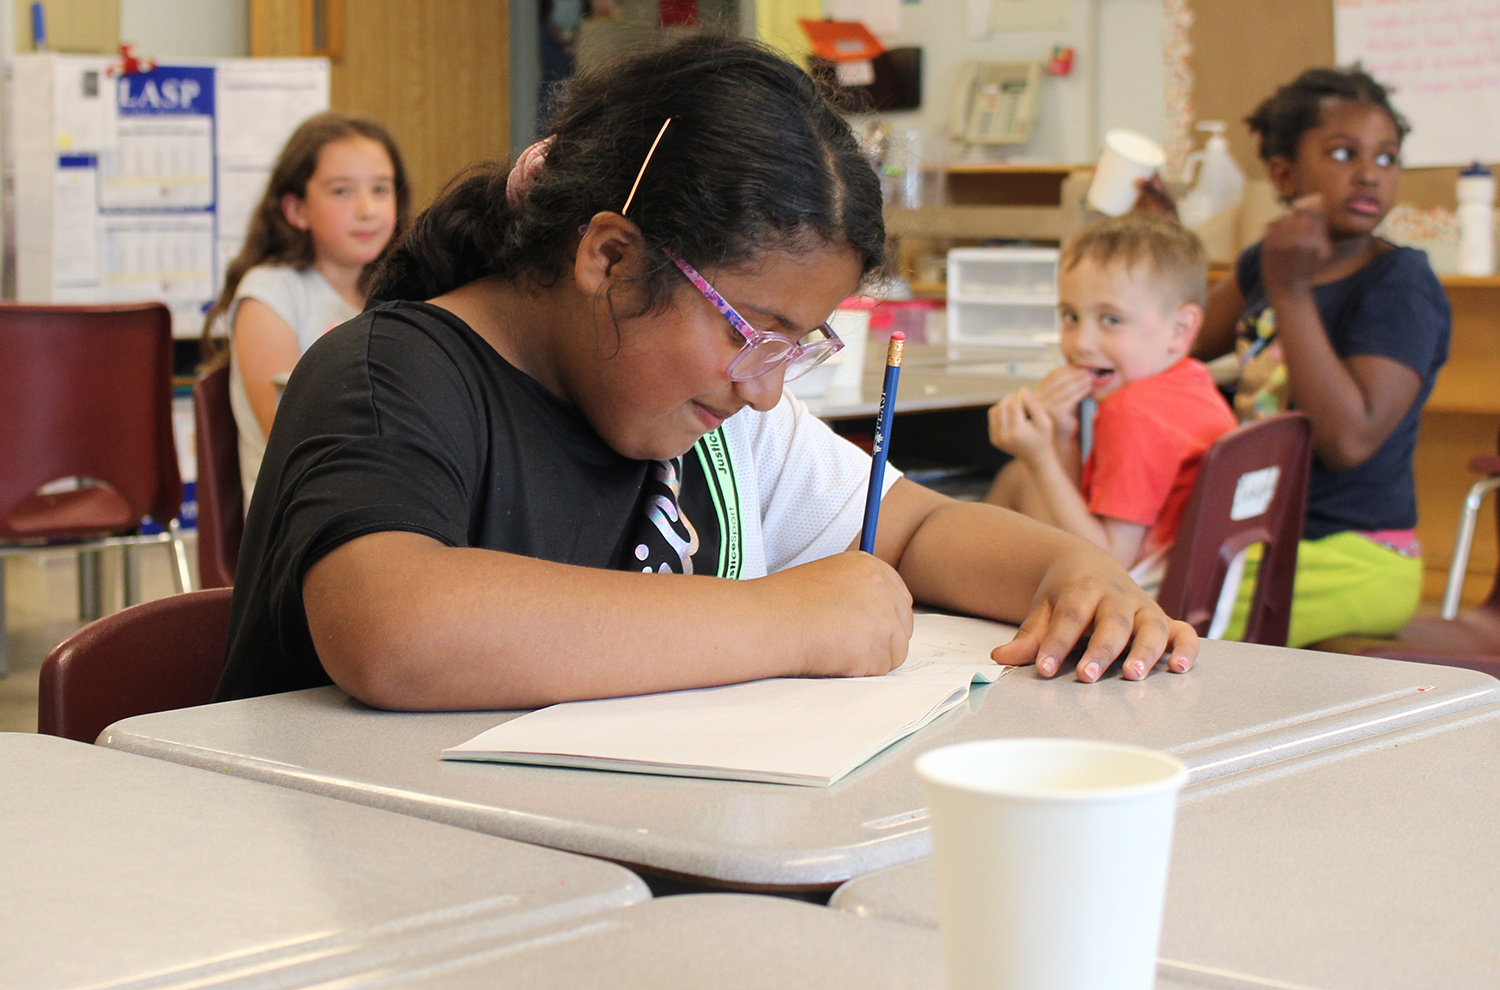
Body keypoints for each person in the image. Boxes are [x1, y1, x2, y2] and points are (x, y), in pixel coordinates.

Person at [214, 37, 1198, 710]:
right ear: (608, 257)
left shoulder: (713, 415)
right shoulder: (392, 374)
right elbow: (394, 627)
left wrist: (1076, 573)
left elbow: (922, 525)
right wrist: (787, 620)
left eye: (794, 346)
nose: (767, 385)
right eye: (752, 329)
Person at [1194, 67, 1450, 647]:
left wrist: (1290, 291)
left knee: (1171, 619)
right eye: (1342, 153)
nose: (1369, 174)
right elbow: (1178, 348)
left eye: (1387, 159)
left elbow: (1350, 440)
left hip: (1352, 556)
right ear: (1283, 173)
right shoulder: (1268, 258)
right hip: (1256, 538)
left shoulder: (1399, 283)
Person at [984, 216, 1236, 591]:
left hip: (1133, 598)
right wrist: (1063, 434)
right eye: (1070, 316)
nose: (1081, 342)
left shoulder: (1133, 413)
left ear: (1181, 329)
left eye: (1111, 319)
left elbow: (1110, 560)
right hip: (1197, 589)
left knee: (1020, 478)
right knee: (1019, 478)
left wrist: (1039, 457)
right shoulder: (1192, 383)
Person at [201, 112, 410, 506]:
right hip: (304, 514)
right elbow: (293, 441)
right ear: (296, 209)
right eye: (342, 191)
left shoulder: (405, 290)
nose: (367, 209)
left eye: (381, 190)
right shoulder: (269, 293)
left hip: (382, 497)